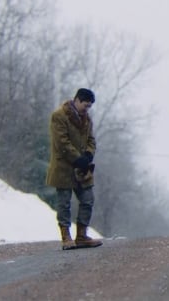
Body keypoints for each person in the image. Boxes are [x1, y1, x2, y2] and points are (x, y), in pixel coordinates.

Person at [46, 88, 103, 250]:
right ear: (77, 100)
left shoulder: (87, 119)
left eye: (89, 107)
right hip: (63, 167)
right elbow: (61, 142)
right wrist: (77, 158)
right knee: (64, 203)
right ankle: (66, 236)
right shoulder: (59, 116)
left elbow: (91, 140)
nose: (87, 109)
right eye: (85, 105)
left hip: (83, 169)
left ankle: (82, 235)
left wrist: (89, 155)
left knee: (87, 200)